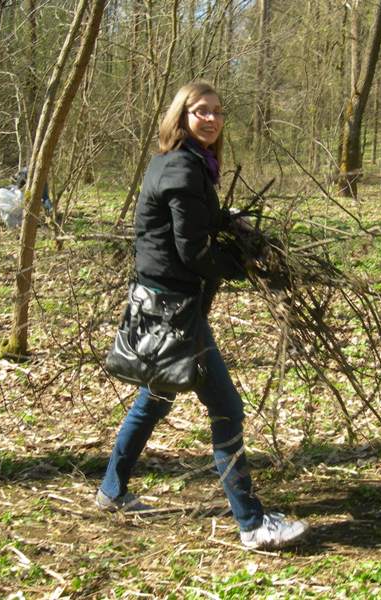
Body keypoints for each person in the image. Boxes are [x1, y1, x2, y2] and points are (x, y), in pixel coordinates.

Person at [97, 81, 309, 550]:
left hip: (160, 304)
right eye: (201, 111)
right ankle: (252, 523)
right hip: (176, 314)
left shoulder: (177, 163)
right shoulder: (185, 169)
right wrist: (243, 265)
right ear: (182, 116)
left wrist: (226, 220)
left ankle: (112, 490)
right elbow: (192, 251)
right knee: (227, 408)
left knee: (156, 396)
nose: (211, 119)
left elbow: (188, 223)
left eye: (217, 111)